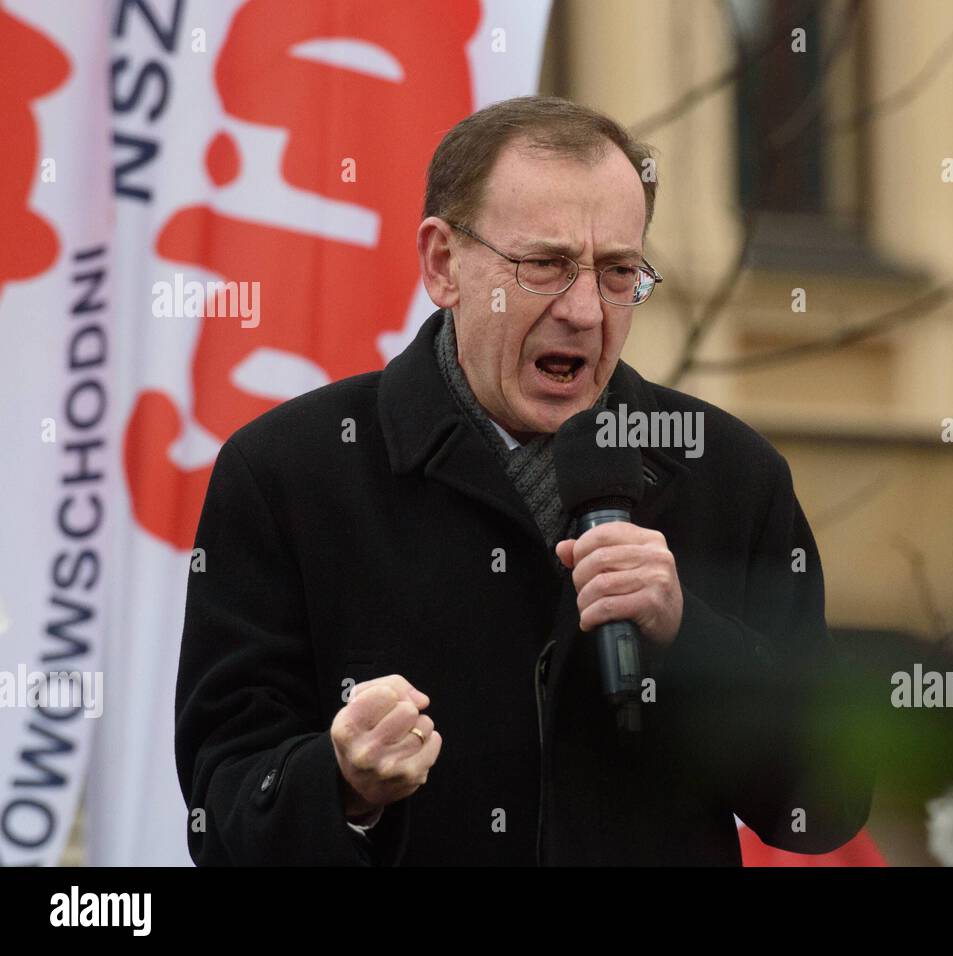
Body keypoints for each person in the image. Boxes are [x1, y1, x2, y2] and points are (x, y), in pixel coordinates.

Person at [174, 95, 872, 865]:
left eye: (618, 272)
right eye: (544, 266)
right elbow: (223, 814)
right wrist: (341, 782)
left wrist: (690, 638)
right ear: (444, 264)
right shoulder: (290, 475)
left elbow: (827, 805)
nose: (583, 309)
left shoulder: (731, 475)